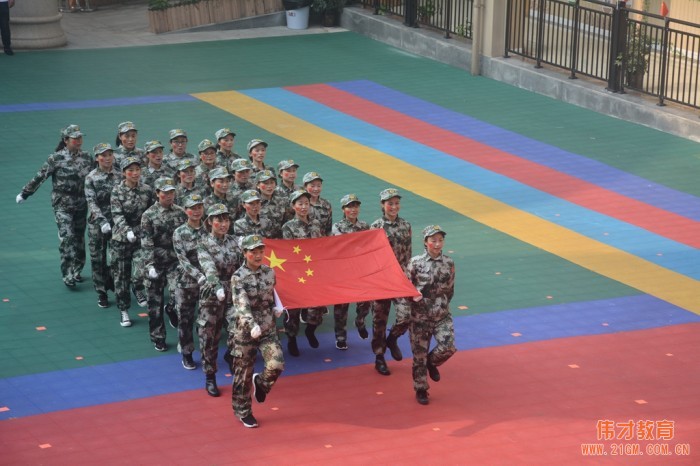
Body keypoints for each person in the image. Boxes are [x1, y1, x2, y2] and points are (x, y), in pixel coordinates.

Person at [16, 124, 93, 287]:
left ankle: (77, 269)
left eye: (80, 138)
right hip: (62, 205)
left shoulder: (87, 157)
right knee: (67, 237)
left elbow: (95, 177)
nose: (79, 141)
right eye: (75, 138)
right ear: (66, 140)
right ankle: (67, 273)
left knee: (79, 238)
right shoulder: (55, 158)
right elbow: (40, 176)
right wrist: (25, 193)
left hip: (81, 203)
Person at [229, 234, 285, 428]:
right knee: (243, 373)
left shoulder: (270, 272)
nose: (258, 255)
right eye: (253, 251)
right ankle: (243, 411)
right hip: (246, 332)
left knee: (276, 363)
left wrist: (278, 306)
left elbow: (273, 292)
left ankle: (261, 383)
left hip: (268, 328)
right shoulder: (238, 277)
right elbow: (241, 304)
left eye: (261, 251)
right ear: (245, 253)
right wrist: (251, 324)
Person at [403, 225, 456, 405]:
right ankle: (421, 389)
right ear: (425, 242)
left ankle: (431, 363)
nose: (437, 243)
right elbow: (405, 287)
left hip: (441, 314)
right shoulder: (415, 263)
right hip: (420, 317)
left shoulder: (448, 263)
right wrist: (412, 297)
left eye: (440, 240)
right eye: (433, 240)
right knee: (419, 355)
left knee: (448, 346)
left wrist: (442, 304)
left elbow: (450, 289)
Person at [197, 203, 242, 397]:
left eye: (226, 220)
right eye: (218, 220)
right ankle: (210, 376)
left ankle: (231, 355)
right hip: (212, 295)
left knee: (238, 330)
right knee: (209, 336)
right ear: (210, 222)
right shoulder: (203, 244)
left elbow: (243, 264)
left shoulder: (235, 242)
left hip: (232, 292)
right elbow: (208, 269)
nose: (223, 224)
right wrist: (216, 287)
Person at [141, 177, 187, 352]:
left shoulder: (181, 213)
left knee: (179, 297)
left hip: (175, 262)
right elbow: (146, 242)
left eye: (171, 192)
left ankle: (172, 309)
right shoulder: (149, 215)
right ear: (157, 193)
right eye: (165, 192)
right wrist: (149, 265)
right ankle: (158, 337)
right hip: (156, 263)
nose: (169, 196)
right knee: (155, 303)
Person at [369, 188, 412, 376]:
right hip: (380, 279)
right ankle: (379, 357)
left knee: (406, 315)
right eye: (390, 203)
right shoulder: (375, 227)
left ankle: (392, 338)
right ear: (382, 205)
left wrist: (409, 275)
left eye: (396, 203)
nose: (393, 206)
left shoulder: (406, 225)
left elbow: (408, 253)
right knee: (379, 319)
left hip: (400, 278)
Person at [110, 156, 154, 327]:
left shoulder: (147, 190)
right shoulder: (117, 191)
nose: (135, 173)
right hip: (121, 239)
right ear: (123, 173)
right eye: (130, 170)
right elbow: (117, 214)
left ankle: (138, 288)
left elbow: (151, 212)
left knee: (141, 270)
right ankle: (124, 310)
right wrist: (127, 230)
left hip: (141, 237)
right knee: (121, 275)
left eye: (137, 170)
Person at [281, 190, 326, 356]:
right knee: (293, 310)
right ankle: (292, 339)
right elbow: (288, 250)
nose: (304, 207)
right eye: (300, 204)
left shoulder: (316, 224)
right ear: (293, 206)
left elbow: (321, 245)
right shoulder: (288, 227)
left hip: (314, 272)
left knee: (317, 307)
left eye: (306, 203)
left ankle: (310, 330)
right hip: (295, 273)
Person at [331, 194, 371, 350]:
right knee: (341, 306)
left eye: (355, 206)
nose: (353, 209)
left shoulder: (365, 226)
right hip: (343, 272)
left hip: (361, 270)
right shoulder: (338, 227)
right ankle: (340, 337)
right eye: (349, 206)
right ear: (343, 209)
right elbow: (342, 245)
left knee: (366, 301)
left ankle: (360, 321)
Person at [84, 143, 122, 308]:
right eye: (103, 155)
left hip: (116, 224)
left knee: (117, 259)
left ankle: (113, 283)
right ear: (97, 158)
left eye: (109, 154)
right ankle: (101, 292)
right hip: (97, 225)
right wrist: (102, 221)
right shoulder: (91, 178)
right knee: (98, 259)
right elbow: (91, 203)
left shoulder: (120, 176)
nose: (107, 158)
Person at [173, 193, 207, 370]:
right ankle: (187, 353)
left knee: (205, 320)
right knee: (185, 320)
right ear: (186, 211)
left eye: (199, 207)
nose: (196, 211)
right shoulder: (179, 233)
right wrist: (198, 275)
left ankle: (207, 353)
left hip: (207, 282)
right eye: (192, 208)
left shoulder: (209, 229)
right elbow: (183, 260)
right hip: (186, 283)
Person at [255, 170, 287, 239]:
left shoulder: (282, 201)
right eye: (266, 183)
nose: (269, 186)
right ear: (257, 185)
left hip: (279, 242)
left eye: (272, 183)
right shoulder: (254, 204)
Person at [303, 172, 332, 236]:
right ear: (305, 186)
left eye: (319, 186)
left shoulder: (326, 204)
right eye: (312, 186)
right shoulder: (300, 205)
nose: (316, 189)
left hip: (322, 242)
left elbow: (328, 229)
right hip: (303, 242)